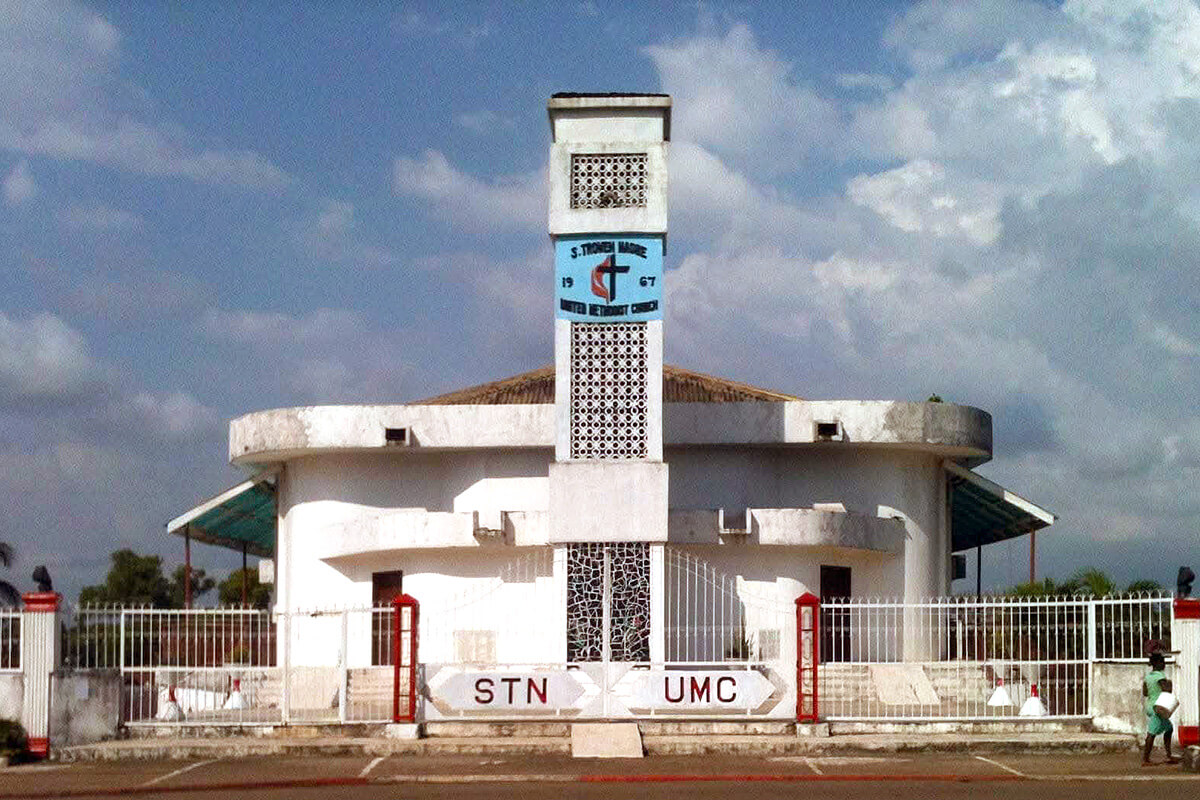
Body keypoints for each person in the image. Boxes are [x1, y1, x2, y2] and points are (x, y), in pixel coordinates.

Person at [1142, 652, 1179, 766]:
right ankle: (1146, 759)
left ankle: (1168, 755)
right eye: (1162, 662)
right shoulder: (1160, 676)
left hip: (1150, 706)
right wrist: (1169, 683)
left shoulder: (1148, 677)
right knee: (1151, 733)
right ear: (1157, 663)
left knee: (1169, 728)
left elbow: (1145, 692)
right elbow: (1167, 690)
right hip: (1158, 708)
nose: (1164, 664)